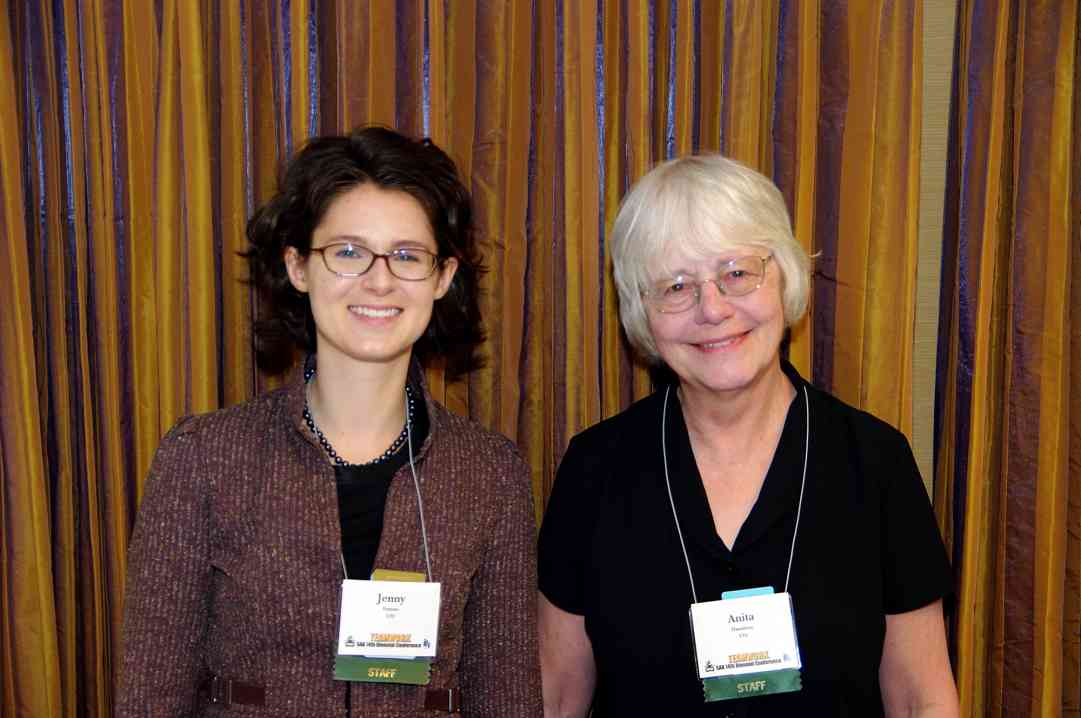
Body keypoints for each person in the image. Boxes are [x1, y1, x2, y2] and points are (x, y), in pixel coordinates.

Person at [118, 126, 542, 717]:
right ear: (297, 267)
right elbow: (149, 697)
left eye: (407, 255)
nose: (379, 279)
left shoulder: (490, 473)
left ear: (443, 278)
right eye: (347, 252)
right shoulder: (203, 456)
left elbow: (507, 698)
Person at [537, 155, 959, 717]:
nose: (712, 308)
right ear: (641, 314)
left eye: (737, 273)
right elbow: (557, 697)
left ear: (785, 276)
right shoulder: (594, 468)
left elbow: (921, 700)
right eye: (676, 285)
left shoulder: (875, 462)